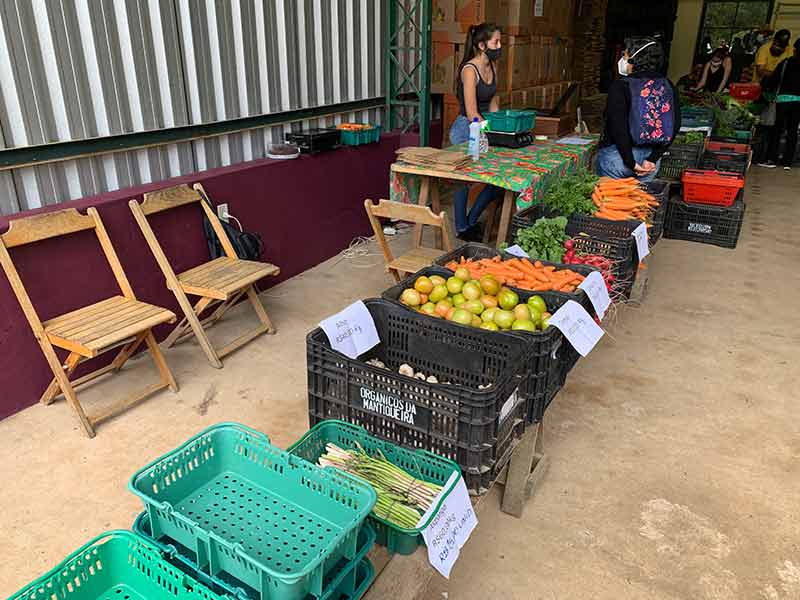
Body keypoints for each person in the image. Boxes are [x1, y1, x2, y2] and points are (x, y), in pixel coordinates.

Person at [597, 37, 681, 183]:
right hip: (649, 162)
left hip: (618, 159)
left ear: (635, 58)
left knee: (611, 203)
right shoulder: (668, 86)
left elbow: (618, 127)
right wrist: (653, 158)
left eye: (625, 55)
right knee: (638, 202)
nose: (622, 59)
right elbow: (675, 125)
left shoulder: (621, 86)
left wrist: (630, 161)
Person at [450, 23, 503, 241]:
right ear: (482, 45)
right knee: (463, 180)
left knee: (498, 181)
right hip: (467, 129)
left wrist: (500, 127)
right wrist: (490, 131)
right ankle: (462, 227)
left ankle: (470, 222)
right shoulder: (469, 70)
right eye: (496, 42)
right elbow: (472, 112)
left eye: (500, 41)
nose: (500, 46)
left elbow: (493, 104)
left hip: (485, 126)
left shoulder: (493, 66)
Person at [760, 38, 800, 170]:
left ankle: (772, 159)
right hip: (799, 103)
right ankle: (787, 162)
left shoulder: (786, 62)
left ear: (794, 50)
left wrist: (765, 88)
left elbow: (773, 80)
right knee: (792, 131)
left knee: (777, 130)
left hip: (783, 101)